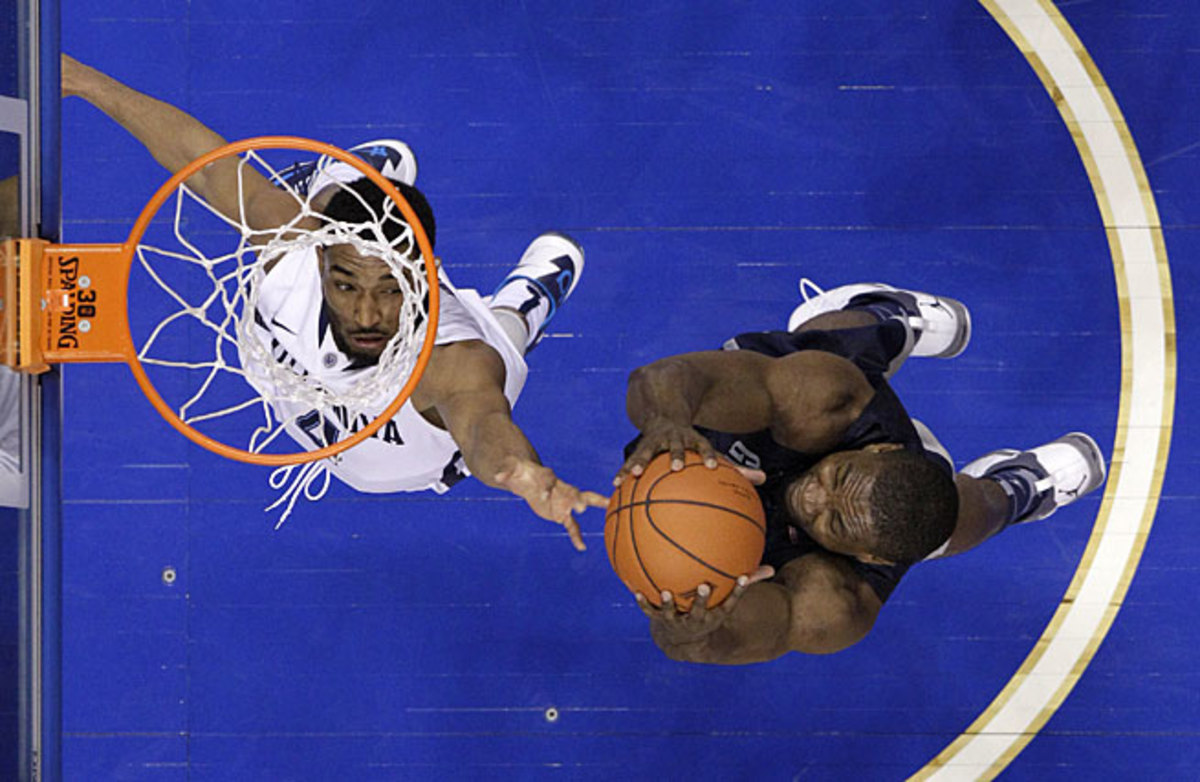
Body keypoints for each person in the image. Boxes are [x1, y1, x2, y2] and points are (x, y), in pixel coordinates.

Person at [61, 54, 607, 548]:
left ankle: (527, 300)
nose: (367, 316)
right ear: (320, 261)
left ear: (424, 276)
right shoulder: (294, 251)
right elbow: (197, 159)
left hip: (399, 457)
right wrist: (83, 81)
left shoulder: (455, 360)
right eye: (346, 285)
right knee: (300, 209)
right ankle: (339, 182)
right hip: (313, 362)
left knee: (504, 332)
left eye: (391, 290)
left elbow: (485, 425)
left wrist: (521, 472)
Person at [618, 281, 1107, 663]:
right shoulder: (826, 401)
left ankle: (1012, 489)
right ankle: (891, 317)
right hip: (794, 406)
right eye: (836, 481)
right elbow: (661, 380)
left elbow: (714, 642)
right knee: (838, 343)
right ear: (881, 450)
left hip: (886, 501)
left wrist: (686, 632)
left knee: (972, 513)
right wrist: (668, 418)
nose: (811, 499)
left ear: (867, 554)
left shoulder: (835, 606)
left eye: (833, 522)